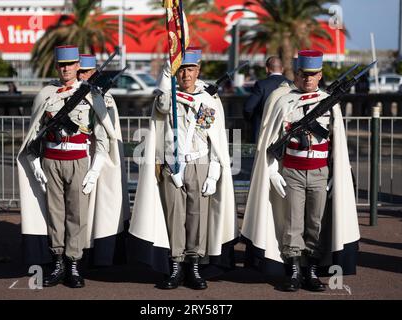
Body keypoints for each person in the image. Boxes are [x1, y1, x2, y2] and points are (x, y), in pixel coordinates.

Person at [241, 50, 360, 292]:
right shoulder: (284, 101)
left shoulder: (329, 103)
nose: (308, 79)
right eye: (304, 74)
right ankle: (294, 269)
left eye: (313, 75)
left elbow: (337, 142)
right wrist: (272, 170)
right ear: (296, 75)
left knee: (315, 223)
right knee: (293, 222)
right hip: (292, 170)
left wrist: (338, 173)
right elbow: (272, 140)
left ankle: (311, 270)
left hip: (319, 171)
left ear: (320, 75)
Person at [17, 45, 130, 288]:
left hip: (78, 161)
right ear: (57, 67)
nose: (66, 68)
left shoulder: (91, 95)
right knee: (56, 215)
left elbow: (103, 137)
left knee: (76, 216)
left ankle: (74, 265)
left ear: (78, 66)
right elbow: (33, 135)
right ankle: (58, 262)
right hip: (51, 160)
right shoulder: (46, 94)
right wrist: (35, 162)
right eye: (62, 65)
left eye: (70, 64)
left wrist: (94, 170)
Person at [128, 48, 238, 290]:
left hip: (199, 163)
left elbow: (214, 138)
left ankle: (194, 265)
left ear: (198, 70)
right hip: (172, 164)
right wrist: (167, 73)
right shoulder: (167, 98)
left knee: (197, 217)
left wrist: (214, 172)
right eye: (181, 70)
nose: (186, 75)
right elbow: (162, 107)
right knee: (175, 217)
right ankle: (176, 265)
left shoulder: (207, 100)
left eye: (190, 69)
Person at [243, 56, 288, 142]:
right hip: (284, 132)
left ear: (267, 69)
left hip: (262, 130)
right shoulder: (291, 84)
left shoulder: (261, 84)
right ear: (282, 69)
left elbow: (248, 107)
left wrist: (251, 120)